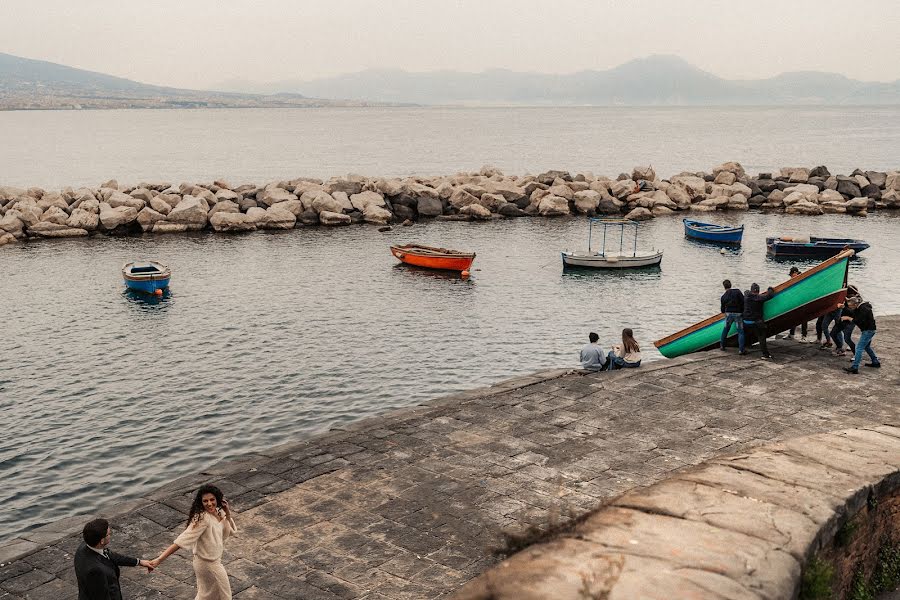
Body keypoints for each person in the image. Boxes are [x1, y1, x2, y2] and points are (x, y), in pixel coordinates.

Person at [152, 485, 237, 600]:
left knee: (207, 596)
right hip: (208, 564)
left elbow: (229, 532)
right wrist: (159, 559)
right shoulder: (202, 518)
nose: (209, 503)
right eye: (205, 501)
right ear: (201, 503)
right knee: (224, 596)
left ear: (217, 499)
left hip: (211, 561)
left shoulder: (219, 512)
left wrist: (227, 512)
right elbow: (182, 540)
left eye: (212, 499)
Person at [74, 518, 155, 600]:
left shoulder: (86, 545)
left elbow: (112, 556)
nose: (110, 535)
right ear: (102, 541)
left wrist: (139, 562)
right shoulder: (96, 570)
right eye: (109, 534)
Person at [843, 296, 880, 374]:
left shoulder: (864, 309)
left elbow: (858, 320)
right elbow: (855, 313)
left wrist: (848, 318)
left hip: (868, 331)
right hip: (869, 330)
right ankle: (875, 362)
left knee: (859, 348)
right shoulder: (862, 307)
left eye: (851, 306)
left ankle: (855, 367)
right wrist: (845, 306)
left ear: (855, 304)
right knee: (866, 347)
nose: (851, 308)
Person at [743, 283, 776, 359]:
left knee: (751, 332)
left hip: (746, 321)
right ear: (758, 291)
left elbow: (746, 291)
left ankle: (746, 345)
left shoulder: (746, 296)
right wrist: (770, 289)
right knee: (762, 337)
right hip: (755, 321)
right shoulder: (758, 297)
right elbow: (769, 295)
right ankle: (765, 355)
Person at [780, 267, 810, 342]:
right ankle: (791, 334)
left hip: (803, 302)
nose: (791, 276)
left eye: (791, 275)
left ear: (795, 273)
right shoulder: (793, 280)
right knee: (793, 318)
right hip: (795, 303)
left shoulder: (802, 278)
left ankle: (804, 336)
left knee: (804, 319)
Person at [831, 285, 861, 356]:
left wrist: (843, 307)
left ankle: (855, 354)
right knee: (833, 333)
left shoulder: (856, 299)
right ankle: (840, 348)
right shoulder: (845, 296)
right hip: (842, 320)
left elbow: (854, 312)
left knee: (847, 338)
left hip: (850, 322)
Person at [719, 279, 745, 352]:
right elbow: (743, 302)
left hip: (728, 314)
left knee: (726, 330)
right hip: (738, 314)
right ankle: (741, 350)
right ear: (731, 284)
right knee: (740, 332)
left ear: (724, 287)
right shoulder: (737, 292)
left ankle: (722, 346)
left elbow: (722, 310)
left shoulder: (723, 297)